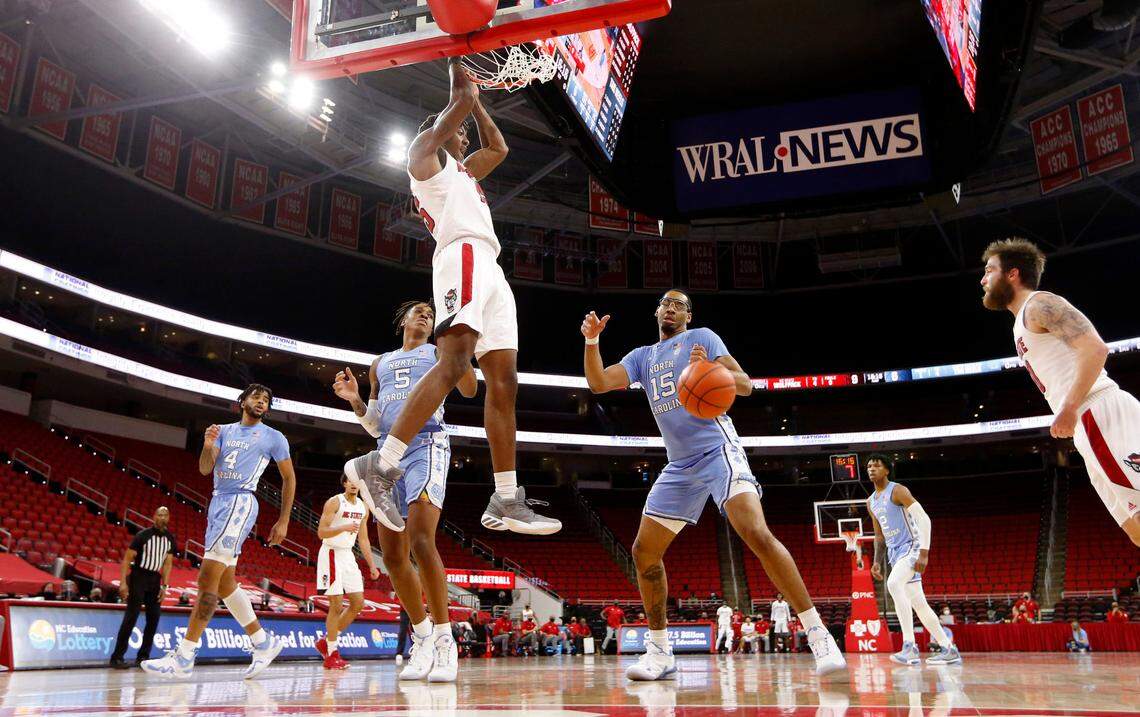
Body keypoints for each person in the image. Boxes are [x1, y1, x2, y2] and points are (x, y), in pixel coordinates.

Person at [582, 291, 846, 680]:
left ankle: (819, 635)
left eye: (678, 304)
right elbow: (599, 382)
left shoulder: (702, 338)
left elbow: (745, 386)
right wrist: (591, 341)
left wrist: (713, 370)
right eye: (665, 303)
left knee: (755, 532)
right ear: (657, 312)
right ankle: (660, 651)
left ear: (689, 315)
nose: (670, 307)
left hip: (717, 449)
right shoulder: (642, 357)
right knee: (643, 552)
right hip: (679, 465)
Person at [357, 57, 561, 543]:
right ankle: (380, 466)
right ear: (440, 128)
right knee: (451, 363)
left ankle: (506, 496)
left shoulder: (465, 173)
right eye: (459, 131)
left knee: (505, 379)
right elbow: (461, 100)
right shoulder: (424, 158)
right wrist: (460, 57)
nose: (466, 138)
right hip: (461, 255)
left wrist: (480, 104)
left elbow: (500, 145)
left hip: (490, 267)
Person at [334, 300, 477, 683]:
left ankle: (447, 640)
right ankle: (423, 636)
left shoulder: (439, 351)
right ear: (402, 321)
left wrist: (457, 348)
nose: (426, 314)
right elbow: (375, 424)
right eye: (419, 310)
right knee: (394, 556)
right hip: (387, 452)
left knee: (422, 540)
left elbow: (469, 388)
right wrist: (355, 401)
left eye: (431, 312)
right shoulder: (379, 363)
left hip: (426, 445)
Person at [981, 238, 1140, 546]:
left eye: (989, 270)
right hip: (1086, 422)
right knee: (1134, 529)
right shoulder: (1020, 323)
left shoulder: (1040, 304)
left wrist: (1068, 407)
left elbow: (1095, 349)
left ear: (1012, 274)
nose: (983, 279)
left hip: (1099, 409)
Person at [142, 384, 295, 680]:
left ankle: (185, 656)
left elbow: (289, 479)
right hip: (218, 502)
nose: (261, 402)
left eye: (266, 400)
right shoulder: (222, 430)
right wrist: (208, 444)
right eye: (256, 397)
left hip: (240, 501)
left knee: (206, 578)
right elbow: (203, 469)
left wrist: (284, 519)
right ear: (242, 402)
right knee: (225, 583)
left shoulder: (274, 437)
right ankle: (263, 643)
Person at [867, 454, 962, 666]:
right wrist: (876, 560)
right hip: (894, 553)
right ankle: (948, 647)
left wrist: (924, 553)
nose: (871, 468)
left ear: (887, 470)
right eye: (869, 466)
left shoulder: (898, 490)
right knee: (919, 604)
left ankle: (909, 645)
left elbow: (923, 518)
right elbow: (880, 536)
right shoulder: (871, 501)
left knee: (893, 584)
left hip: (911, 546)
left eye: (876, 465)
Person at [314, 474, 379, 670]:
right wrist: (343, 527)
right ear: (344, 483)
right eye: (349, 481)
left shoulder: (363, 507)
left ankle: (327, 641)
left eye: (356, 481)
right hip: (331, 553)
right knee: (335, 605)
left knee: (358, 603)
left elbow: (364, 540)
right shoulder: (334, 502)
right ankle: (332, 654)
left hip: (348, 556)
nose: (352, 484)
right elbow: (321, 532)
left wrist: (372, 565)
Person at [110, 506, 176, 669]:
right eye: (159, 515)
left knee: (154, 618)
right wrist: (123, 583)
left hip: (155, 579)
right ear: (154, 517)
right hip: (138, 576)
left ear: (168, 518)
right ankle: (117, 657)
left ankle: (143, 657)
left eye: (165, 515)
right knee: (131, 617)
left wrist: (164, 586)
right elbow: (126, 559)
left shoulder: (170, 539)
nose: (162, 518)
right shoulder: (143, 536)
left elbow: (167, 564)